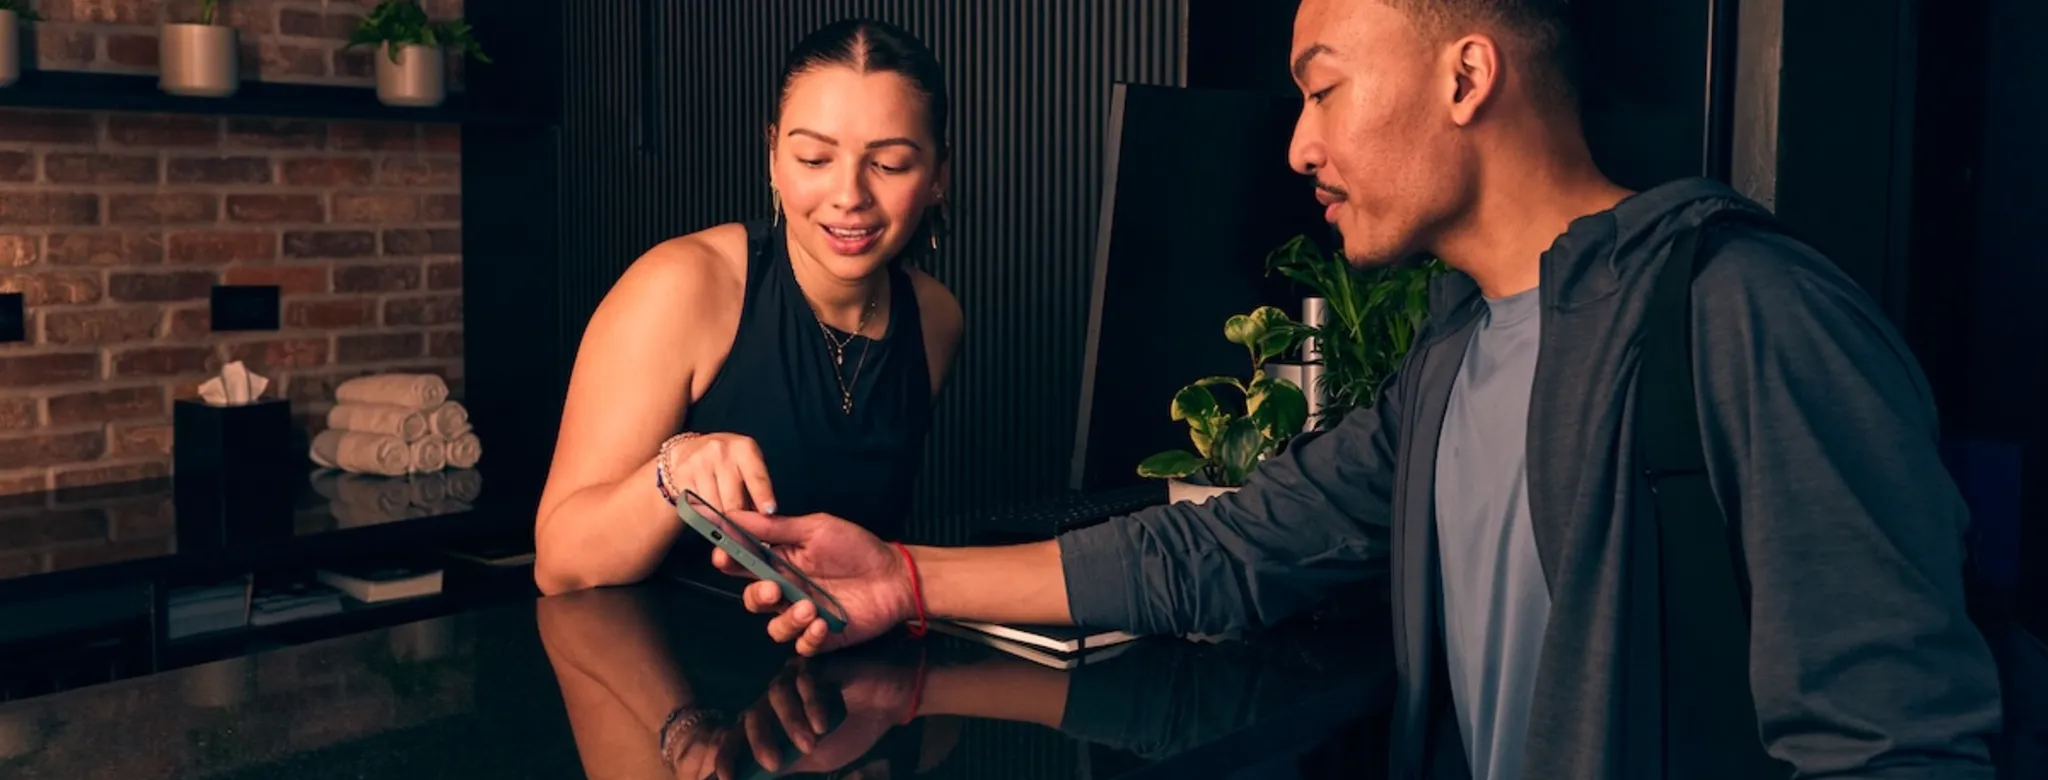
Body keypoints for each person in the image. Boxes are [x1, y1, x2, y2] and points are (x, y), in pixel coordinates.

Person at [711, 1, 2005, 779]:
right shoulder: (1451, 364)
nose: (1298, 143)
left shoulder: (1751, 314)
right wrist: (906, 579)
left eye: (1322, 86)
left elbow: (1899, 747)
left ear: (1465, 74)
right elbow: (1220, 553)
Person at [533, 18, 965, 597]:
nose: (849, 196)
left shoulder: (936, 319)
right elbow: (560, 563)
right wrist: (673, 474)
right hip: (664, 671)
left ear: (938, 175)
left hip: (837, 671)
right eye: (815, 159)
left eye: (888, 165)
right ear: (773, 159)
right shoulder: (683, 286)